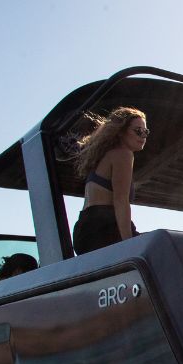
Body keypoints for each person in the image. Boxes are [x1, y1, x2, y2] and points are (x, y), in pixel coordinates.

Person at [71, 107, 149, 254]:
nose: (143, 136)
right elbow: (120, 200)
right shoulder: (124, 154)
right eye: (138, 131)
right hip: (104, 229)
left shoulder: (102, 158)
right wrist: (129, 245)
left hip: (84, 231)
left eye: (146, 132)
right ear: (121, 132)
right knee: (165, 247)